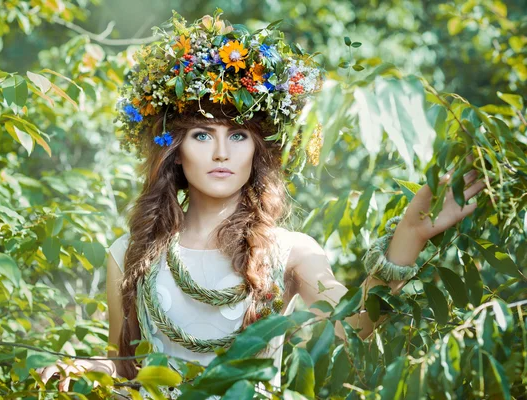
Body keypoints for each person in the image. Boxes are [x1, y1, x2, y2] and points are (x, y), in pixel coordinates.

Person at [36, 10, 486, 397]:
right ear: (175, 149)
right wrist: (81, 367)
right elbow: (123, 369)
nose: (220, 153)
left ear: (258, 150)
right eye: (200, 135)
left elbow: (350, 331)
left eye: (237, 135)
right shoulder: (128, 254)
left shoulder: (290, 251)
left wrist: (408, 235)